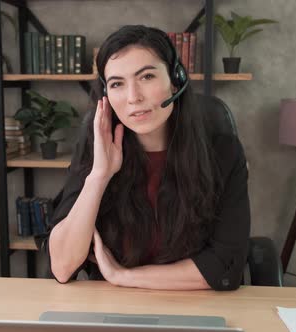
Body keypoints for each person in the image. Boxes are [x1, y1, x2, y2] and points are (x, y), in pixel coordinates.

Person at [39, 25, 250, 291]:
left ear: (176, 79)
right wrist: (100, 175)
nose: (133, 98)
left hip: (195, 305)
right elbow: (61, 267)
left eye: (147, 77)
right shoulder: (96, 151)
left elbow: (225, 269)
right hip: (114, 311)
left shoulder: (223, 153)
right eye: (117, 84)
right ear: (106, 96)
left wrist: (122, 277)